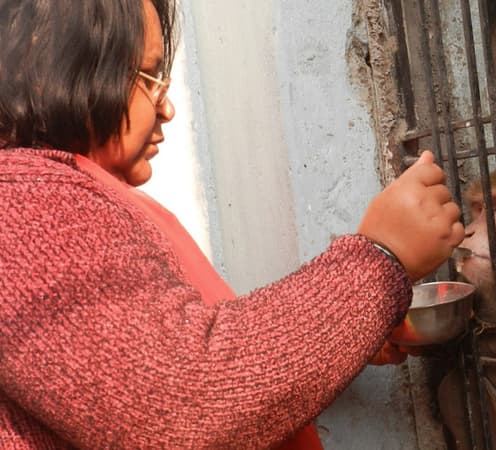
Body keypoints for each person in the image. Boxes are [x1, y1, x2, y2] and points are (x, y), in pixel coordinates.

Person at [0, 0, 464, 448]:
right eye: (148, 77)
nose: (166, 108)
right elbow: (187, 404)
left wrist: (350, 327)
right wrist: (379, 260)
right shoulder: (19, 204)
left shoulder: (64, 195)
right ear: (50, 63)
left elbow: (183, 354)